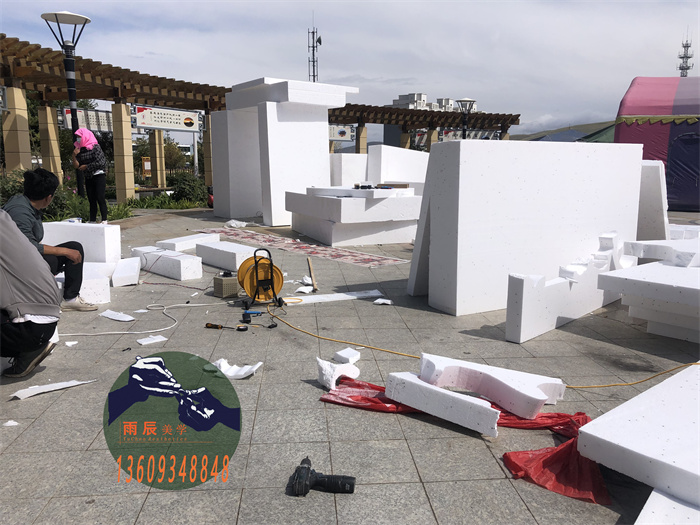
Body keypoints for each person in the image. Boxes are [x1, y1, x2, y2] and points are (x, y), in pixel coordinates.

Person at [3, 168, 97, 312]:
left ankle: (70, 298)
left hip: (22, 258)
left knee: (74, 247)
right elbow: (27, 246)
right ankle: (62, 297)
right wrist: (63, 251)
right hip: (14, 266)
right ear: (48, 197)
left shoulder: (25, 203)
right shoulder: (20, 212)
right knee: (57, 258)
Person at [0, 209, 61, 377]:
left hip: (28, 328)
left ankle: (27, 350)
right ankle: (28, 350)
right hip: (46, 323)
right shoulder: (5, 222)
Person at [73, 128, 108, 223]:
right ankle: (92, 219)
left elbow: (101, 162)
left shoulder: (95, 147)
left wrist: (87, 167)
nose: (78, 139)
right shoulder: (79, 149)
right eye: (77, 137)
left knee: (100, 197)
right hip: (88, 177)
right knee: (91, 199)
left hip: (98, 175)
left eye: (79, 137)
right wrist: (74, 156)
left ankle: (104, 219)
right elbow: (77, 166)